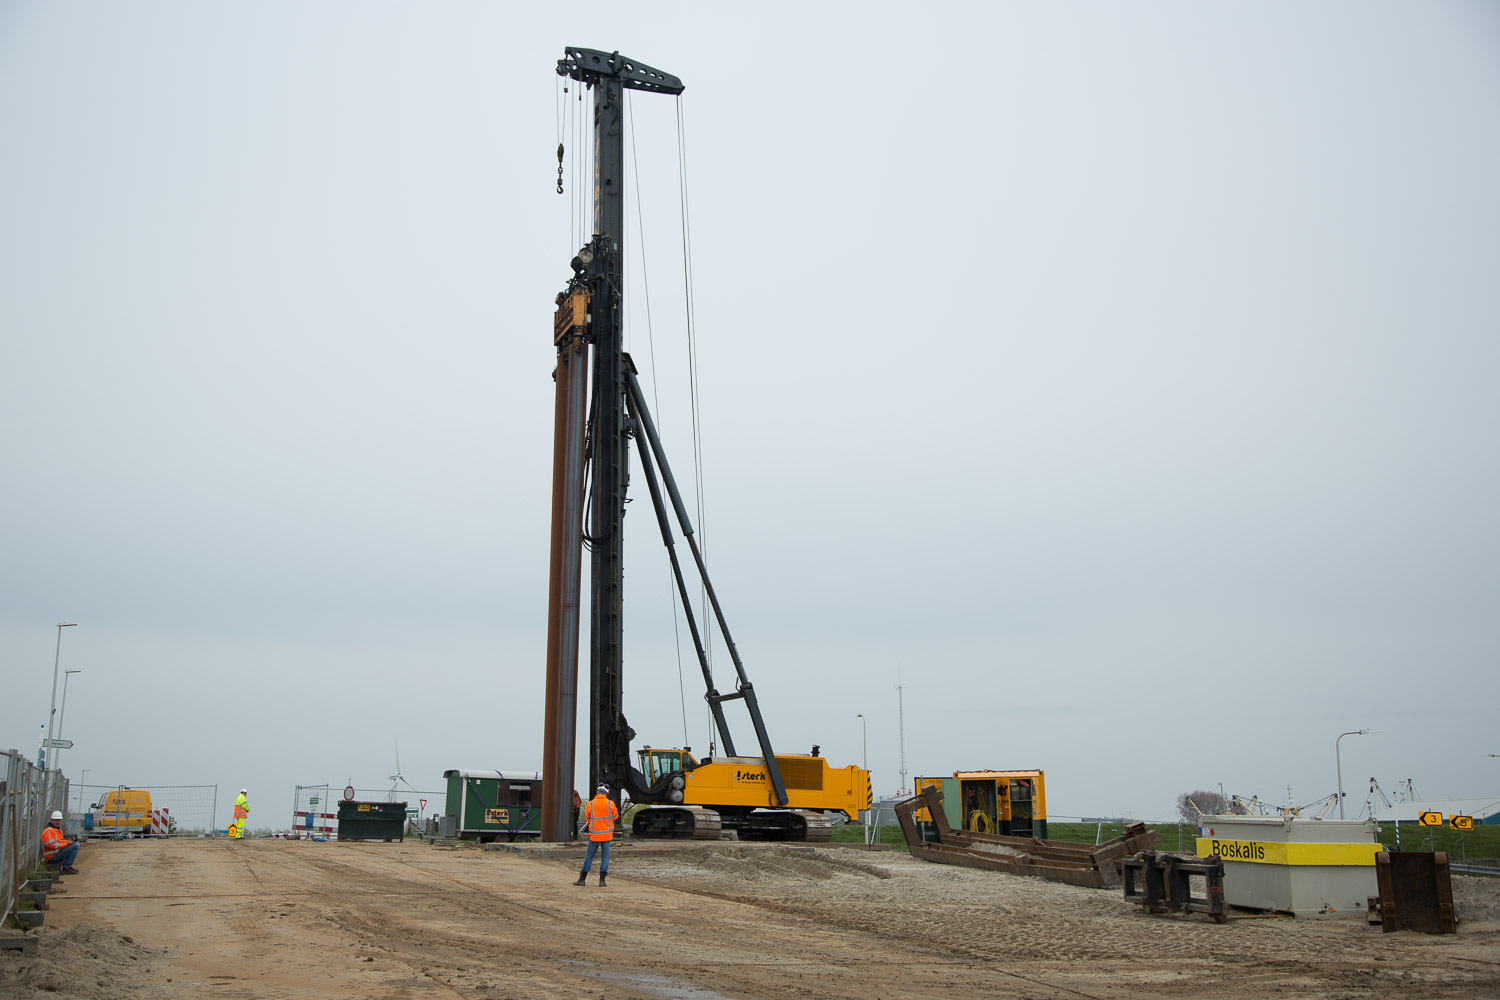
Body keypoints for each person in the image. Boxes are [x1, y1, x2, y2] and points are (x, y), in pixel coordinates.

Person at [573, 784, 619, 886]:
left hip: (594, 835)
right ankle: (602, 881)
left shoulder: (590, 804)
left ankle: (582, 879)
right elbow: (615, 816)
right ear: (606, 793)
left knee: (589, 856)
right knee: (605, 857)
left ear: (597, 792)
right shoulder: (610, 803)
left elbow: (587, 819)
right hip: (607, 835)